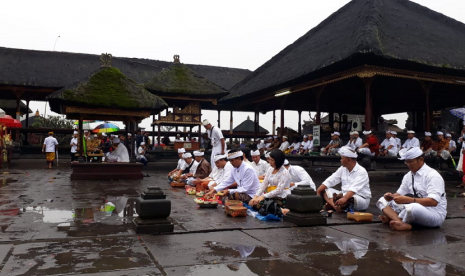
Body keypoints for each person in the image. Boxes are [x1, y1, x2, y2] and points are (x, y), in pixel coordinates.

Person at [376, 147, 447, 231]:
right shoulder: (408, 175)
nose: (408, 164)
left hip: (434, 213)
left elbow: (433, 202)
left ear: (421, 160)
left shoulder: (433, 176)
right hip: (412, 207)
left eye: (411, 161)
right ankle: (400, 222)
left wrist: (409, 200)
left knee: (412, 208)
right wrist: (390, 196)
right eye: (406, 162)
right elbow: (399, 194)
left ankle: (394, 218)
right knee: (382, 200)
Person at [316, 146, 372, 212]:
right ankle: (336, 206)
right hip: (343, 195)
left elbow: (354, 189)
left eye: (342, 158)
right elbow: (332, 179)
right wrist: (319, 190)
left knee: (350, 199)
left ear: (348, 160)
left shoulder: (361, 171)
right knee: (325, 190)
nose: (340, 160)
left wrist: (345, 198)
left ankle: (335, 205)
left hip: (360, 198)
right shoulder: (342, 168)